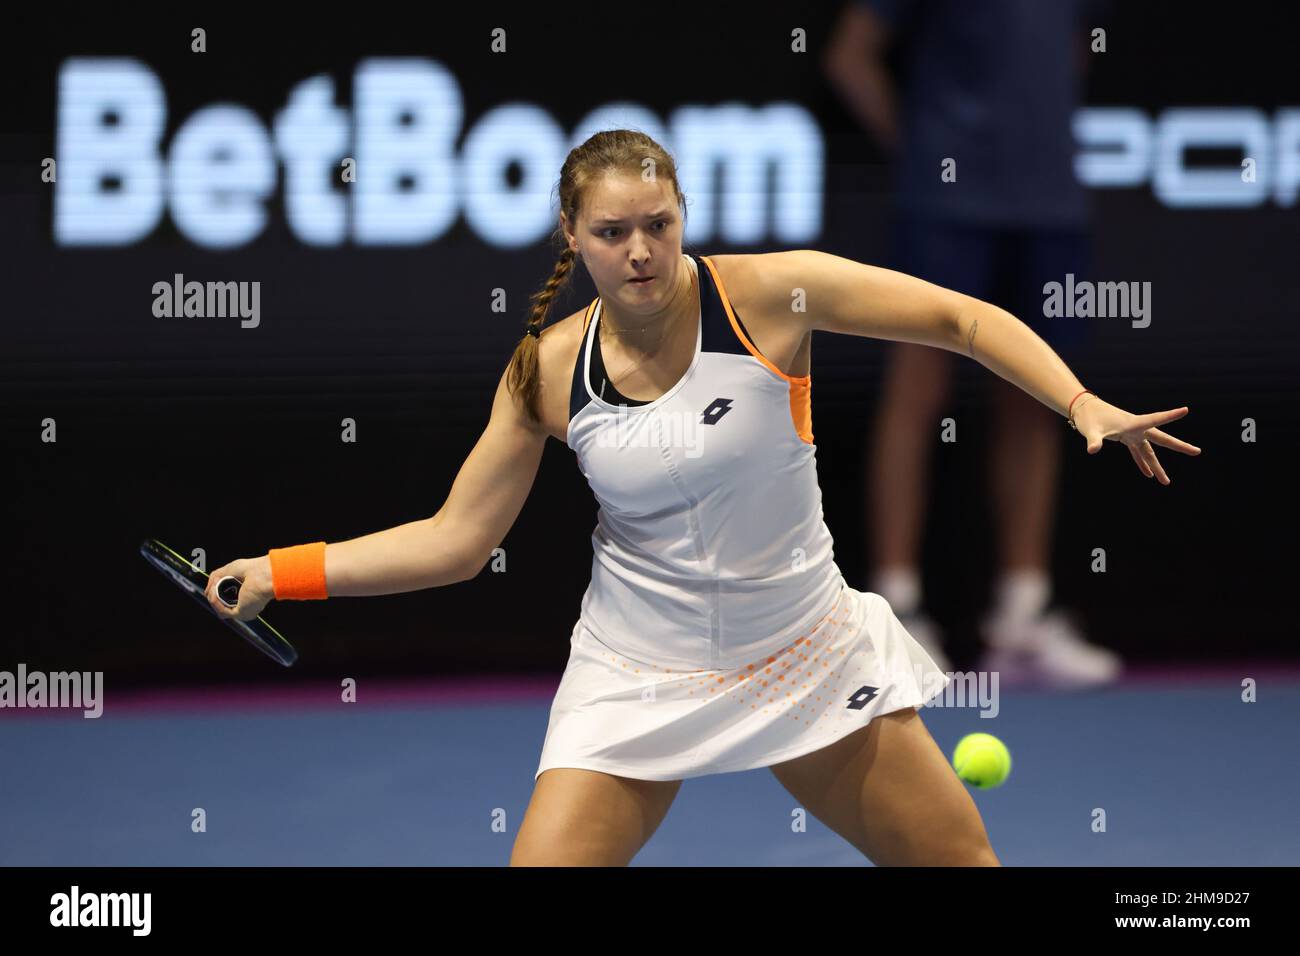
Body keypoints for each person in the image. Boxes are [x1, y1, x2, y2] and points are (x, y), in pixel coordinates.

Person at [204, 129, 1198, 866]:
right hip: (636, 670)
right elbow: (456, 539)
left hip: (804, 651)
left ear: (684, 214)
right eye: (611, 231)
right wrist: (280, 573)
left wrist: (1078, 403)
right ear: (572, 236)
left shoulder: (771, 296)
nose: (639, 249)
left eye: (657, 224)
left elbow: (960, 317)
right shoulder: (545, 369)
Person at [824, 0, 1117, 683]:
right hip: (947, 209)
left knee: (1039, 396)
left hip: (1049, 206)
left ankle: (1021, 614)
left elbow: (1072, 50)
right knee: (918, 390)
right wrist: (926, 151)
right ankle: (896, 612)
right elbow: (849, 55)